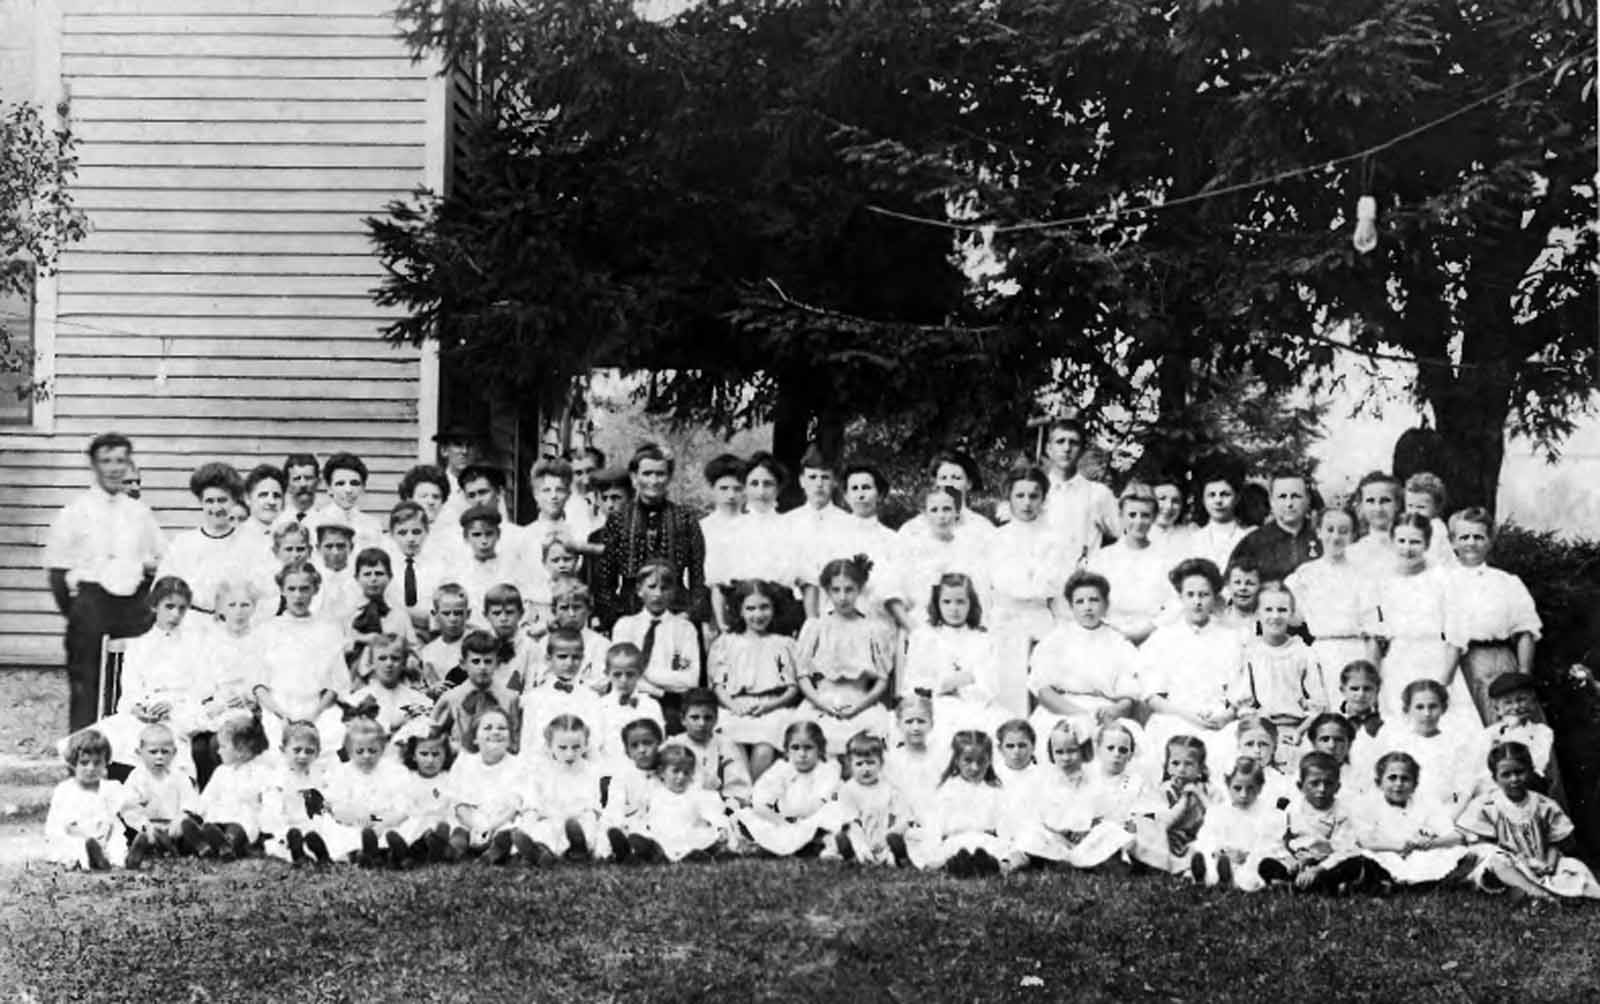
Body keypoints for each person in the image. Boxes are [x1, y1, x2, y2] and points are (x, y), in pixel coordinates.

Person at [44, 432, 166, 732]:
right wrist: (77, 613)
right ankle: (82, 763)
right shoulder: (75, 512)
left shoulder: (139, 513)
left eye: (121, 461)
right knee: (87, 688)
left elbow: (163, 559)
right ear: (93, 465)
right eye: (106, 461)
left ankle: (125, 766)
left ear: (129, 464)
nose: (114, 468)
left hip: (133, 609)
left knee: (131, 686)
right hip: (90, 607)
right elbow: (58, 573)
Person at [82, 575, 204, 777]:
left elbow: (200, 687)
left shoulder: (194, 644)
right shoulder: (140, 644)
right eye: (169, 607)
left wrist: (172, 705)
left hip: (178, 712)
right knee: (104, 739)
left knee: (163, 744)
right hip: (143, 712)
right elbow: (130, 687)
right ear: (155, 606)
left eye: (182, 609)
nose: (175, 614)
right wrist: (137, 708)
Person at [1362, 514, 1473, 728]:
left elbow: (1455, 637)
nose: (1407, 548)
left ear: (1428, 544)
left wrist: (1444, 683)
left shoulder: (1443, 578)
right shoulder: (1381, 580)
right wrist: (1373, 683)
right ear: (1393, 542)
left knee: (1443, 724)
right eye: (1401, 541)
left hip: (1435, 660)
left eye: (1415, 541)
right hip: (1397, 662)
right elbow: (1373, 636)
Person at [1457, 741, 1600, 900]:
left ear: (1531, 771)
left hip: (1541, 861)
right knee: (1497, 862)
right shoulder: (1488, 805)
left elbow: (1555, 843)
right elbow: (1484, 845)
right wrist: (1522, 861)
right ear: (1495, 778)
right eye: (1506, 774)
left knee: (1574, 866)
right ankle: (1538, 893)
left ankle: (1538, 889)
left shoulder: (1544, 805)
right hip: (1511, 864)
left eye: (1519, 772)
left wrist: (1549, 865)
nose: (1514, 779)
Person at [1442, 508, 1543, 723]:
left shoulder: (1507, 582)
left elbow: (1525, 630)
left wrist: (1523, 675)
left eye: (1478, 537)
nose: (1471, 543)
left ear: (1489, 541)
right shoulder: (1441, 581)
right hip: (1454, 665)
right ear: (1452, 542)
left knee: (1510, 726)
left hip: (1498, 661)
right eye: (1464, 537)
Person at [1140, 559, 1243, 761]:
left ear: (1214, 597)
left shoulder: (1231, 638)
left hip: (1218, 721)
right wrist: (1189, 717)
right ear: (1180, 597)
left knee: (1231, 746)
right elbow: (1153, 697)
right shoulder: (1163, 638)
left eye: (1204, 595)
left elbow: (1238, 693)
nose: (1197, 602)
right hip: (1176, 717)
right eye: (1190, 595)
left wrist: (1225, 717)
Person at [594, 444, 707, 629]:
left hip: (677, 612)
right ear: (634, 477)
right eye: (647, 473)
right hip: (630, 611)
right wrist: (617, 618)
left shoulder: (686, 519)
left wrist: (689, 615)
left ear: (669, 477)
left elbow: (698, 577)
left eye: (660, 474)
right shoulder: (619, 520)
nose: (654, 481)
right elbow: (606, 579)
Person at [986, 466, 1068, 715]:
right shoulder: (996, 538)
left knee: (1038, 686)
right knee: (1004, 690)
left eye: (1034, 496)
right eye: (1019, 495)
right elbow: (989, 584)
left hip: (1039, 619)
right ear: (1008, 498)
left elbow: (1053, 587)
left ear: (1043, 499)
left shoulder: (1054, 540)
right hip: (1003, 619)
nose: (1027, 503)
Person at [794, 556, 897, 753]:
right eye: (836, 590)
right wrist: (821, 702)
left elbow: (882, 680)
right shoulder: (817, 627)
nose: (843, 597)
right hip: (821, 701)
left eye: (849, 589)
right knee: (807, 735)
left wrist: (859, 706)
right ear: (827, 591)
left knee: (875, 734)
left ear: (859, 589)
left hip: (861, 702)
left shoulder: (873, 629)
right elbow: (803, 675)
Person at [1013, 718, 1135, 870]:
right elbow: (1037, 815)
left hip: (1086, 839)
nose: (1065, 758)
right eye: (1059, 752)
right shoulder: (1046, 780)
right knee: (1031, 834)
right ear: (1051, 753)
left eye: (1072, 751)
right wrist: (1057, 833)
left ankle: (1080, 861)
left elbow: (1108, 811)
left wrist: (1090, 828)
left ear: (1083, 751)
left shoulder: (1095, 778)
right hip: (1056, 838)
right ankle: (1059, 860)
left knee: (1112, 832)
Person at [1028, 571, 1141, 732]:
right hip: (1061, 709)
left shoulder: (1118, 642)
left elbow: (1128, 696)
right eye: (1080, 602)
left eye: (1094, 600)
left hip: (1104, 711)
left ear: (1106, 604)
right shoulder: (1055, 640)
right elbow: (1044, 692)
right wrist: (1080, 714)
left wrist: (1115, 710)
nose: (1087, 607)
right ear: (1071, 606)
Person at [253, 564, 348, 755]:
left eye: (304, 589)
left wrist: (313, 716)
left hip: (319, 710)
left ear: (315, 590)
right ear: (282, 590)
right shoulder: (267, 630)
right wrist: (282, 715)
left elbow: (336, 684)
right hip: (278, 709)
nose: (298, 596)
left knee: (329, 740)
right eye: (292, 589)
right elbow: (258, 685)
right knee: (278, 747)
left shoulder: (329, 630)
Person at [709, 580, 800, 779]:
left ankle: (756, 796)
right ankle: (740, 793)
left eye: (764, 607)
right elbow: (718, 685)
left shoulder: (782, 644)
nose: (758, 615)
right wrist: (733, 705)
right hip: (735, 705)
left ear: (773, 608)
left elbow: (792, 688)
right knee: (730, 742)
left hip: (773, 707)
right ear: (740, 611)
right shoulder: (727, 643)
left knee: (764, 747)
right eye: (750, 608)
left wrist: (770, 706)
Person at [903, 573, 1003, 740]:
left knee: (995, 724)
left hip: (975, 704)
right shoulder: (923, 637)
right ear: (937, 603)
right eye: (947, 602)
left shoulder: (983, 639)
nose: (954, 608)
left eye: (960, 602)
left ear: (971, 603)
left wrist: (966, 684)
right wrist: (948, 683)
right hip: (935, 705)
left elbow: (990, 682)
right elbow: (914, 680)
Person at [1284, 508, 1368, 708]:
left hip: (1356, 651)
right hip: (1322, 653)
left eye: (1343, 530)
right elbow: (1294, 619)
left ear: (1353, 535)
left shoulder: (1363, 575)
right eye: (1329, 529)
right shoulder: (1306, 574)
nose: (1336, 536)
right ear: (1319, 532)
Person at [1354, 751, 1474, 889]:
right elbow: (1364, 841)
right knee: (1366, 856)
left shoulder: (1425, 803)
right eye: (1392, 778)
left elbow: (1455, 836)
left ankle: (1422, 883)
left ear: (1415, 784)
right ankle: (1385, 882)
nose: (1398, 784)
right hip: (1386, 851)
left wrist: (1431, 843)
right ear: (1379, 782)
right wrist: (1397, 846)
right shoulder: (1368, 804)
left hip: (1419, 854)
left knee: (1453, 852)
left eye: (1405, 779)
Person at [1230, 583, 1328, 752]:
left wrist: (1299, 731)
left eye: (1282, 610)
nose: (1275, 616)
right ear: (1257, 613)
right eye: (1268, 610)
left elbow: (1318, 704)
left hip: (1297, 730)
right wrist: (1261, 732)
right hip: (1258, 729)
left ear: (1291, 614)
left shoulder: (1304, 653)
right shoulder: (1250, 653)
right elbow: (1244, 703)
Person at [1256, 751, 1371, 892]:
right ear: (1300, 786)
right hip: (1297, 861)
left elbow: (1343, 849)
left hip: (1325, 862)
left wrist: (1318, 869)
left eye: (1328, 784)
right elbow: (1277, 840)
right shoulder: (1291, 810)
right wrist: (1289, 860)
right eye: (1314, 784)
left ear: (1337, 787)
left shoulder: (1341, 813)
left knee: (1355, 863)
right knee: (1266, 863)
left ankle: (1308, 885)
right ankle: (1295, 883)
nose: (1322, 789)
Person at [905, 730, 1014, 875]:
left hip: (985, 840)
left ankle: (985, 864)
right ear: (957, 760)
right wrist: (931, 854)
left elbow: (1004, 826)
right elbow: (935, 825)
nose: (975, 767)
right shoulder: (947, 790)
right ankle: (957, 864)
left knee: (993, 849)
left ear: (989, 761)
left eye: (981, 761)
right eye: (968, 761)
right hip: (955, 841)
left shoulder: (994, 790)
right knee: (933, 845)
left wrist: (1006, 852)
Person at [611, 559, 702, 729]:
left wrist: (645, 672)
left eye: (665, 588)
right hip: (631, 696)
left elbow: (690, 679)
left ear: (673, 592)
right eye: (652, 587)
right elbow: (619, 671)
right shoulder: (625, 626)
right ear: (639, 590)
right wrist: (659, 688)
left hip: (670, 704)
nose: (658, 594)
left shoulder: (684, 629)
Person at [159, 462, 257, 617]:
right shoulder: (183, 543)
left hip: (237, 624)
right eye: (210, 501)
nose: (216, 508)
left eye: (222, 500)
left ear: (233, 500)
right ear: (201, 502)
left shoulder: (250, 543)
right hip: (191, 624)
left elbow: (266, 594)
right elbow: (162, 592)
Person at [734, 720, 844, 857]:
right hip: (782, 820)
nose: (802, 754)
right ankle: (762, 842)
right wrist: (776, 813)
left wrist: (792, 813)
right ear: (786, 751)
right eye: (795, 748)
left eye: (808, 748)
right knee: (747, 815)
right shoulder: (782, 768)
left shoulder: (827, 771)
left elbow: (819, 801)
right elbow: (762, 794)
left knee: (832, 817)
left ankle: (824, 845)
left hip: (811, 819)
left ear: (820, 750)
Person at [610, 744, 730, 864]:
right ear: (662, 772)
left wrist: (721, 827)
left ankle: (692, 857)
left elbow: (713, 814)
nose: (681, 777)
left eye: (686, 773)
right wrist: (631, 827)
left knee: (702, 842)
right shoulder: (654, 792)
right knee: (641, 839)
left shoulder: (695, 795)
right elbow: (642, 816)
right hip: (661, 838)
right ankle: (631, 855)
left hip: (688, 837)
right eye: (675, 771)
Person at [1087, 485, 1175, 645]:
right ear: (1121, 516)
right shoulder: (1102, 558)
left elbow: (1173, 604)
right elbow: (1091, 599)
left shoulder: (1166, 559)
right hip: (1108, 636)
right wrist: (1113, 631)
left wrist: (1147, 631)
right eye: (1132, 515)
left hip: (1154, 638)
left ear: (1154, 517)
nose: (1139, 521)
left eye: (1145, 515)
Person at [513, 714, 604, 865]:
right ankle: (539, 853)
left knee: (588, 824)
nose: (569, 754)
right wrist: (531, 822)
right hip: (551, 819)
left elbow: (592, 806)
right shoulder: (541, 771)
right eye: (562, 748)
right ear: (549, 747)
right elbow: (533, 804)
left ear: (586, 745)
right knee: (543, 830)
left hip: (578, 820)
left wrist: (583, 819)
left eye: (576, 747)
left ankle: (579, 849)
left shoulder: (590, 771)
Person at [324, 718, 412, 867]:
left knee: (408, 824)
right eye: (360, 751)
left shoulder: (394, 771)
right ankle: (361, 854)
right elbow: (337, 807)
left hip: (385, 821)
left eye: (372, 750)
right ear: (349, 752)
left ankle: (391, 853)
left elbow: (402, 806)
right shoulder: (342, 773)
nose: (366, 756)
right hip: (355, 822)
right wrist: (357, 818)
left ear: (383, 749)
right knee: (335, 829)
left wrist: (383, 823)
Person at [185, 716, 273, 860]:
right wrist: (195, 812)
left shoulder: (261, 773)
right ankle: (205, 845)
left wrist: (266, 828)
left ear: (241, 751)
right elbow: (208, 797)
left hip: (243, 819)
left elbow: (269, 803)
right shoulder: (221, 771)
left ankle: (227, 846)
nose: (218, 751)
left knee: (237, 830)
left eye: (223, 747)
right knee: (211, 827)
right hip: (219, 817)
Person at [782, 446, 856, 618]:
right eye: (812, 477)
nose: (819, 484)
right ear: (802, 480)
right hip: (795, 607)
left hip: (836, 605)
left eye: (825, 477)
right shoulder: (787, 522)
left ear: (835, 482)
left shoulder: (848, 523)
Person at [1188, 757, 1283, 891]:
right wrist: (1218, 851)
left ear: (1260, 788)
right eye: (1237, 788)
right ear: (1228, 785)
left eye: (1250, 789)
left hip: (1248, 859)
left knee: (1250, 872)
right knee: (1208, 859)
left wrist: (1245, 855)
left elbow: (1269, 844)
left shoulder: (1267, 814)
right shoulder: (1218, 811)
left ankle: (1226, 880)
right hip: (1222, 856)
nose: (1243, 795)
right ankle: (1203, 876)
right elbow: (1206, 836)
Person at [1130, 735, 1217, 875]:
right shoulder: (1165, 790)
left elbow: (1219, 816)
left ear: (1200, 768)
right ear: (1168, 766)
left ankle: (1195, 868)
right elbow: (1164, 823)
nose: (1181, 769)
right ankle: (1151, 863)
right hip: (1167, 839)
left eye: (1188, 764)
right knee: (1142, 825)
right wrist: (1183, 800)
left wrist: (1199, 795)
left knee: (1208, 846)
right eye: (1175, 763)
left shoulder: (1208, 791)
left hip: (1195, 841)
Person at [445, 707, 524, 861]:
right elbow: (459, 803)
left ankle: (495, 851)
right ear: (475, 738)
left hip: (502, 819)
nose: (495, 732)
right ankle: (456, 848)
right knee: (458, 829)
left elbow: (514, 806)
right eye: (487, 728)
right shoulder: (465, 762)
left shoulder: (519, 765)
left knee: (511, 830)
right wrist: (475, 826)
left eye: (502, 728)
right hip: (471, 819)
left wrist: (491, 827)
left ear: (511, 737)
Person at [1038, 418, 1119, 566]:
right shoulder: (1034, 494)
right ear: (1048, 449)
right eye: (1060, 441)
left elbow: (1125, 535)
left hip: (1083, 583)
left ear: (1082, 450)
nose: (1067, 448)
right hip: (1042, 583)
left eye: (1073, 442)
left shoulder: (1098, 494)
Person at [45, 729, 127, 870]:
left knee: (117, 840)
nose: (91, 768)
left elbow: (118, 815)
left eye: (97, 763)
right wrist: (84, 835)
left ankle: (112, 859)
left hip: (104, 832)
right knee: (75, 844)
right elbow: (62, 824)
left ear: (105, 763)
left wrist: (105, 835)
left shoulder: (111, 788)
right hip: (76, 832)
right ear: (73, 763)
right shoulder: (66, 790)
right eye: (84, 763)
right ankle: (89, 857)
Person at [120, 723, 199, 869]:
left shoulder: (179, 776)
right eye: (153, 752)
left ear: (174, 753)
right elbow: (129, 807)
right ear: (139, 752)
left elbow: (190, 800)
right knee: (144, 835)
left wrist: (182, 816)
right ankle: (139, 851)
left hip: (174, 827)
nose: (159, 757)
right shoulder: (137, 777)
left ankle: (174, 849)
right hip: (148, 826)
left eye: (165, 752)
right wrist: (143, 825)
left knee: (189, 831)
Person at [432, 629, 522, 754]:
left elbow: (515, 741)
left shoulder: (510, 698)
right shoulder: (451, 698)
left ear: (497, 663)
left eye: (488, 661)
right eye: (476, 661)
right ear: (463, 664)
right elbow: (433, 736)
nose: (482, 667)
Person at [1227, 470, 1321, 585]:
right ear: (1272, 502)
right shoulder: (1252, 543)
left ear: (1307, 500)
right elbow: (1231, 586)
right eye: (1282, 496)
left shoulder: (1323, 537)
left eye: (1295, 496)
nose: (1289, 503)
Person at [832, 731, 911, 866]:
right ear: (850, 765)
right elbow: (853, 823)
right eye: (859, 764)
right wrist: (863, 845)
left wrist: (887, 836)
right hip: (859, 835)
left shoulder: (888, 787)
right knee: (847, 838)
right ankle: (852, 855)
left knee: (896, 842)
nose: (866, 769)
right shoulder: (848, 790)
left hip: (883, 834)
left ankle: (898, 855)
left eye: (870, 763)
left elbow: (900, 815)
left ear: (880, 764)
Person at [897, 451, 996, 547]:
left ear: (969, 483)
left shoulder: (982, 529)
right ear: (935, 482)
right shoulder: (913, 530)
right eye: (943, 478)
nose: (948, 483)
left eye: (956, 478)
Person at [384, 501, 452, 639]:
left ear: (427, 531)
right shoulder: (385, 566)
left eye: (416, 532)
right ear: (391, 534)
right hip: (392, 636)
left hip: (432, 634)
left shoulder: (440, 566)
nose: (410, 539)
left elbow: (445, 608)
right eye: (402, 533)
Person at [700, 453, 747, 633]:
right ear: (713, 490)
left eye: (737, 488)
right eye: (724, 488)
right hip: (710, 608)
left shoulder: (753, 526)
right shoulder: (703, 528)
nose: (731, 495)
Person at [308, 452, 383, 550]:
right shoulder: (313, 523)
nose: (348, 490)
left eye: (354, 483)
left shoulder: (372, 525)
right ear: (329, 488)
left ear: (363, 487)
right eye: (340, 483)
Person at [1188, 467, 1252, 572]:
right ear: (1203, 500)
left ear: (1237, 498)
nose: (1218, 500)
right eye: (1211, 495)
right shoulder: (1194, 539)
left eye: (1225, 494)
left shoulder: (1247, 537)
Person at [1347, 471, 1401, 574]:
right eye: (1370, 501)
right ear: (1361, 506)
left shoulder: (1410, 546)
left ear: (1397, 504)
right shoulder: (1353, 553)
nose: (1378, 508)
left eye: (1385, 500)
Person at [1402, 471, 1456, 569]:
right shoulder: (1410, 525)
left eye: (1421, 507)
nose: (1414, 512)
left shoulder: (1436, 528)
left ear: (1437, 508)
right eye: (1410, 506)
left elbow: (1433, 559)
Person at [239, 464, 287, 556]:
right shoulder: (237, 536)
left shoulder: (289, 537)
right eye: (263, 495)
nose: (271, 501)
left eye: (277, 496)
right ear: (247, 499)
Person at [280, 453, 321, 526]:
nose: (303, 484)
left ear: (317, 482)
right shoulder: (277, 521)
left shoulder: (326, 522)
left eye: (308, 478)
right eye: (296, 479)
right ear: (287, 484)